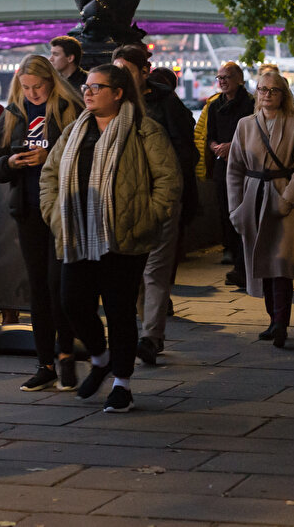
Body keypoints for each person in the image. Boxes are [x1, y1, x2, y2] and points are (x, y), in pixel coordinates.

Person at [39, 64, 181, 413]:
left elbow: (168, 181)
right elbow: (49, 177)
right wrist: (57, 218)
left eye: (96, 87)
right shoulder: (75, 131)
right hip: (77, 234)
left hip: (124, 236)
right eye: (86, 86)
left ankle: (122, 383)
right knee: (72, 302)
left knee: (119, 311)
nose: (87, 92)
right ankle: (100, 357)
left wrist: (145, 218)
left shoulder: (144, 130)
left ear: (118, 93)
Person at [0, 54, 83, 392]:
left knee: (60, 287)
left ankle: (66, 354)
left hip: (61, 210)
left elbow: (87, 155)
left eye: (38, 87)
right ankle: (45, 363)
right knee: (38, 288)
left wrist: (49, 153)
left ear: (51, 81)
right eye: (26, 88)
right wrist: (10, 162)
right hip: (27, 209)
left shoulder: (69, 108)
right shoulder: (14, 113)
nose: (33, 93)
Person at [111, 44, 197, 365]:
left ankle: (151, 337)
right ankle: (144, 328)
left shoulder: (165, 104)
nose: (121, 77)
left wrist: (170, 195)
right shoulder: (113, 101)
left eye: (127, 70)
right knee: (132, 272)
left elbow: (184, 151)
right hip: (125, 202)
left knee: (155, 271)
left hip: (159, 198)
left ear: (144, 72)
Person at [227, 69, 294, 347]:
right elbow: (234, 170)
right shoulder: (245, 125)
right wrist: (235, 208)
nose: (267, 95)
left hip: (283, 198)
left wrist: (288, 198)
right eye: (263, 90)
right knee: (260, 262)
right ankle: (272, 319)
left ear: (283, 94)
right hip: (253, 198)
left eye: (273, 90)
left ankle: (280, 323)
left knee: (281, 263)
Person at [199, 63, 256, 286]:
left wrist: (232, 146)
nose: (222, 81)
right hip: (223, 166)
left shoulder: (250, 104)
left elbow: (254, 134)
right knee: (226, 213)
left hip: (245, 166)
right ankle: (235, 261)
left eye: (227, 77)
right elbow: (209, 135)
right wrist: (215, 146)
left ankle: (246, 266)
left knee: (244, 216)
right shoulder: (214, 106)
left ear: (239, 79)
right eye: (219, 77)